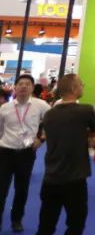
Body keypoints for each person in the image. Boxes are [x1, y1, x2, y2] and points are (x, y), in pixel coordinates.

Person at [37, 74, 95, 235]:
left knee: (46, 223)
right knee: (76, 223)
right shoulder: (86, 110)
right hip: (75, 178)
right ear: (73, 88)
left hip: (51, 176)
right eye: (81, 84)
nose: (83, 87)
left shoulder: (50, 114)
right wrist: (86, 137)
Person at [0, 74, 49, 233]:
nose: (23, 86)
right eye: (20, 83)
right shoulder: (5, 108)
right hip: (5, 152)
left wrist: (41, 139)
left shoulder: (41, 105)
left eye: (27, 84)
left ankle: (16, 219)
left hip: (26, 153)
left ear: (32, 87)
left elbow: (52, 124)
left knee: (22, 189)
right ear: (15, 87)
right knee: (1, 189)